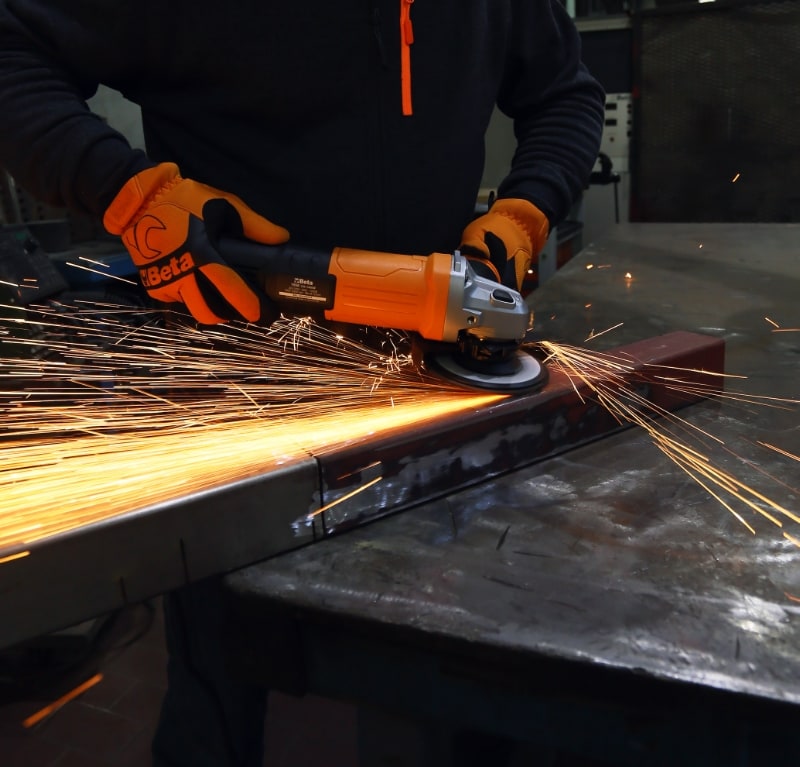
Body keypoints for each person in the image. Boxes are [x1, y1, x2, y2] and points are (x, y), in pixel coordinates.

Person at [0, 2, 605, 765]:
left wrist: (524, 213)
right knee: (219, 676)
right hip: (236, 379)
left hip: (438, 370)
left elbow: (565, 93)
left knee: (461, 650)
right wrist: (129, 195)